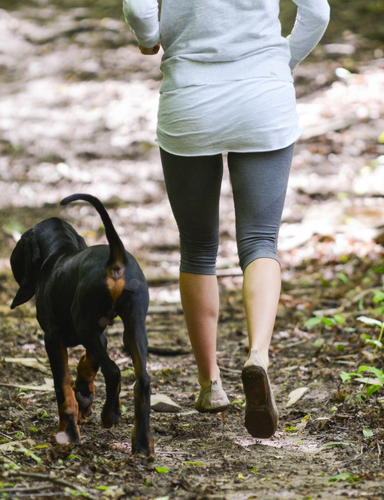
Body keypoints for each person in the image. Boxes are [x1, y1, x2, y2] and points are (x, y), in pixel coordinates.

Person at [123, 0, 330, 439]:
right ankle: (258, 355)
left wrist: (148, 40)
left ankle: (210, 383)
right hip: (264, 97)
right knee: (260, 242)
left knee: (198, 247)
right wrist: (280, 60)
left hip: (191, 100)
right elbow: (317, 12)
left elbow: (138, 7)